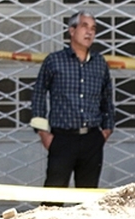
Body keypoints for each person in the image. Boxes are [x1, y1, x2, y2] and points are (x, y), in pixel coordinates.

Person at [29, 10, 115, 189]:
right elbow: (38, 94)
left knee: (88, 198)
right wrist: (43, 133)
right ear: (72, 30)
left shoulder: (99, 63)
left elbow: (107, 97)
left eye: (93, 28)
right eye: (84, 26)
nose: (89, 32)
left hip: (92, 138)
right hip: (62, 139)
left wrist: (106, 130)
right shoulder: (54, 61)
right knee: (53, 196)